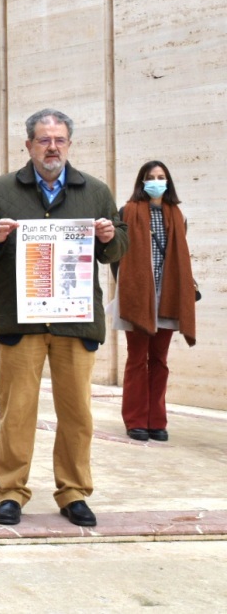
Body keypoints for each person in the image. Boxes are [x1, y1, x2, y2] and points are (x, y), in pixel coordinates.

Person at [0, 108, 127, 528]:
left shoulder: (95, 191)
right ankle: (11, 492)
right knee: (17, 411)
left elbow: (118, 248)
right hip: (22, 321)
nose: (51, 147)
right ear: (28, 145)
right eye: (43, 140)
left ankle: (73, 492)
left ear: (69, 144)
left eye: (59, 140)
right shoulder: (1, 190)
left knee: (77, 413)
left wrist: (110, 238)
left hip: (75, 320)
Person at [111, 161, 197, 441]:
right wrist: (130, 288)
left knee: (159, 360)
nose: (156, 182)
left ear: (168, 182)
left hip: (168, 297)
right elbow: (117, 257)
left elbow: (181, 257)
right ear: (142, 181)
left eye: (161, 177)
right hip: (138, 298)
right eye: (151, 177)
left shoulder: (177, 214)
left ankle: (156, 420)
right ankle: (135, 420)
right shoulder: (127, 211)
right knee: (137, 360)